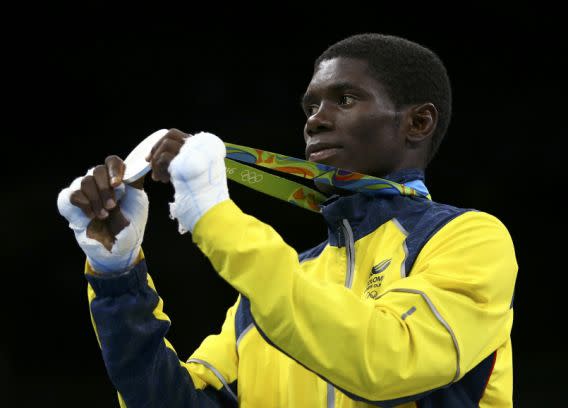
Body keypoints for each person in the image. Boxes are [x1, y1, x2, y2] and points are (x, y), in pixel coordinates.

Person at [57, 33, 517, 407]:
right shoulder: (269, 294)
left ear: (417, 123)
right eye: (311, 107)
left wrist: (214, 216)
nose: (316, 121)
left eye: (346, 98)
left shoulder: (469, 240)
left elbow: (386, 362)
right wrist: (118, 276)